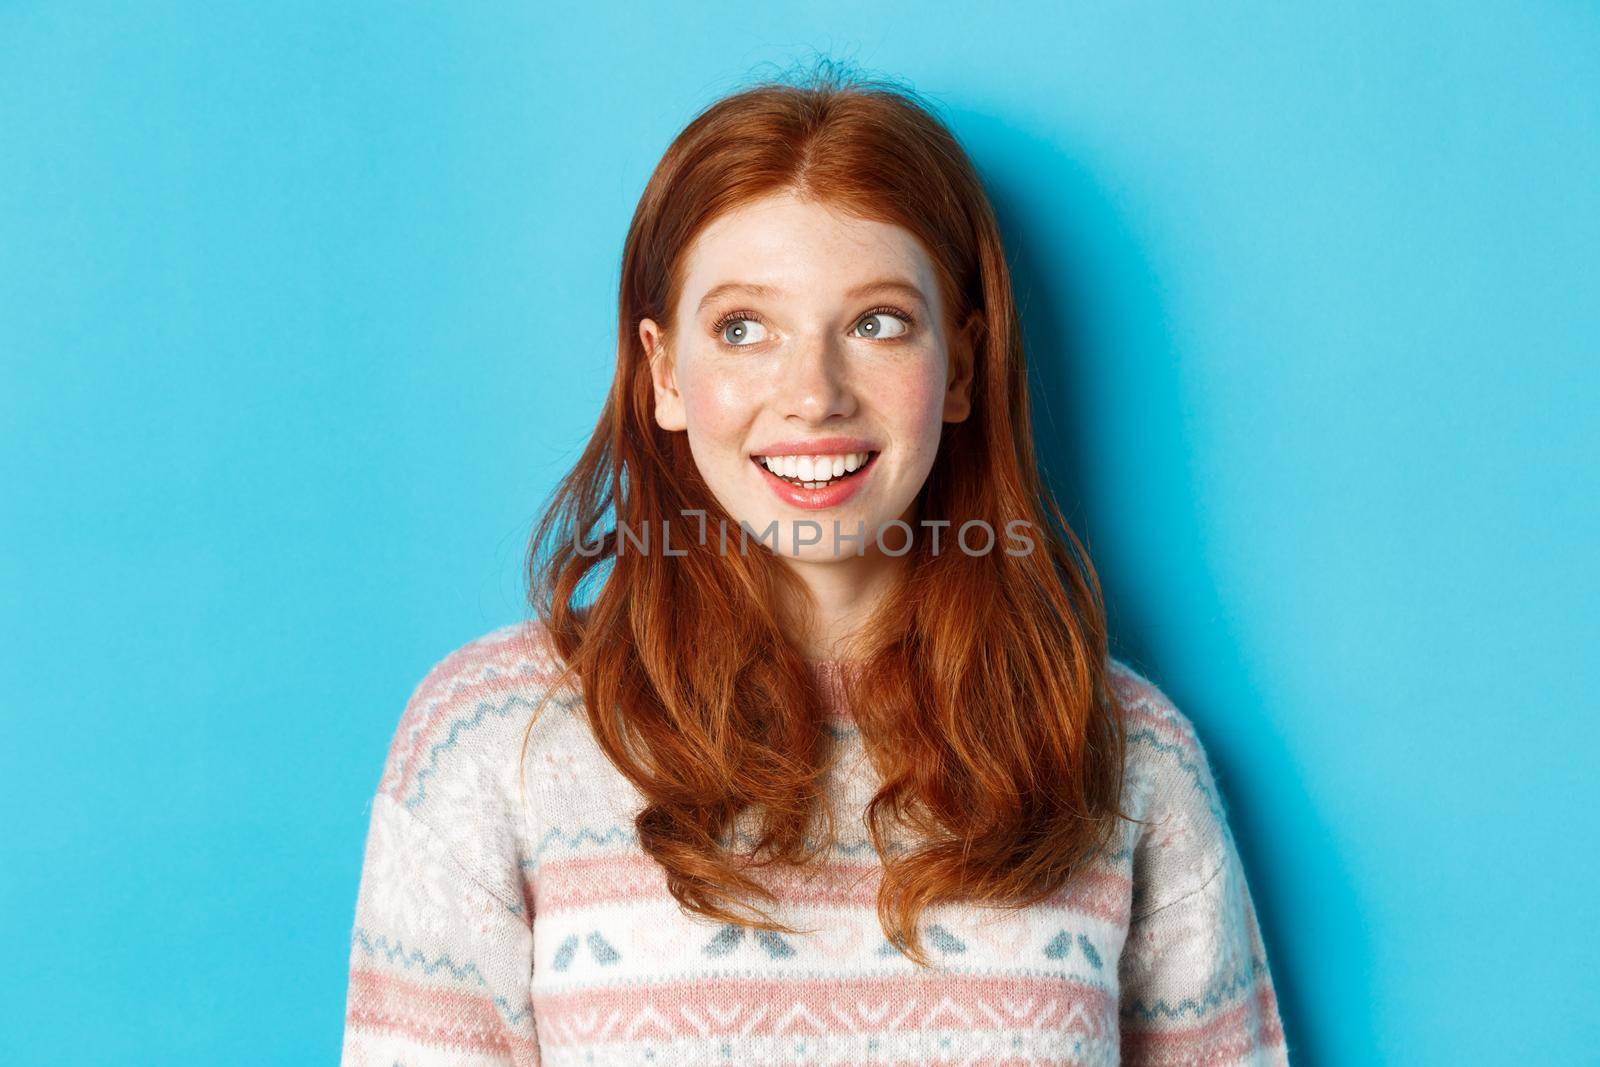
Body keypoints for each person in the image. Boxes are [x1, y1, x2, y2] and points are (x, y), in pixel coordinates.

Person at [339, 61, 1289, 1066]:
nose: (812, 393)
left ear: (960, 367)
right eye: (744, 328)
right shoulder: (491, 741)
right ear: (664, 373)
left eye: (876, 323)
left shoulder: (1124, 751)